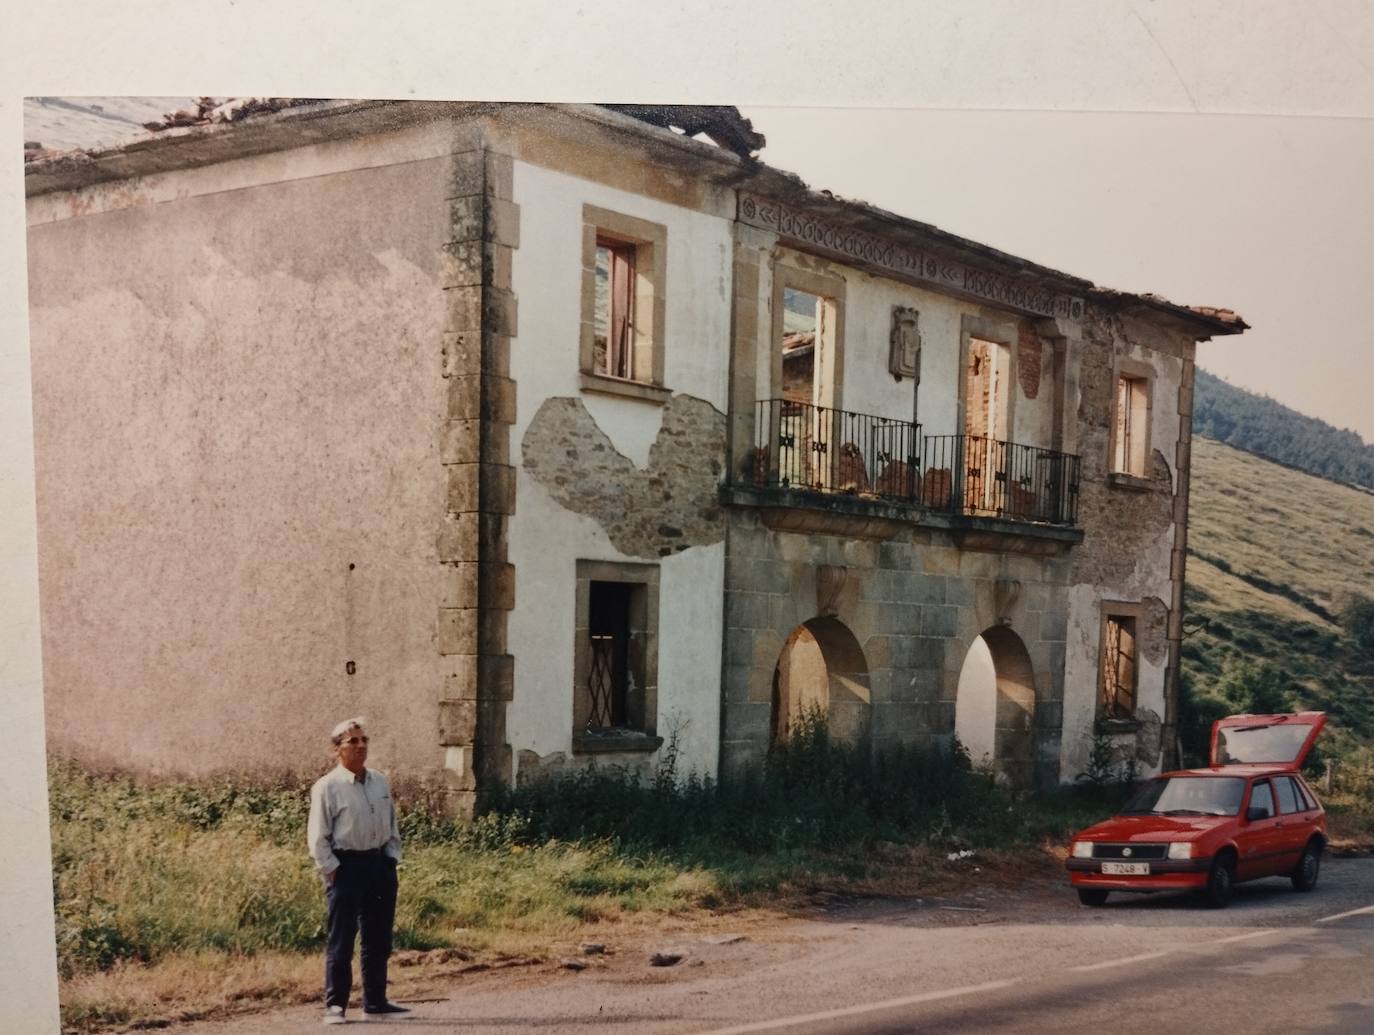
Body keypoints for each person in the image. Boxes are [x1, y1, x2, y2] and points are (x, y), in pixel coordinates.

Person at [307, 717, 408, 1025]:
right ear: (337, 749)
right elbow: (318, 836)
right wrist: (333, 870)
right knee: (342, 938)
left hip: (379, 865)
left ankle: (375, 1001)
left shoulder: (379, 781)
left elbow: (390, 823)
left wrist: (391, 857)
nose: (361, 746)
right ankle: (335, 1005)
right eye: (353, 741)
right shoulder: (327, 787)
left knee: (378, 938)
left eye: (364, 740)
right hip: (346, 868)